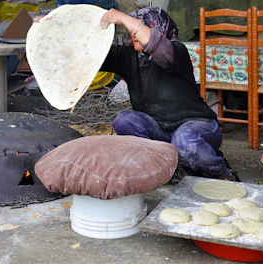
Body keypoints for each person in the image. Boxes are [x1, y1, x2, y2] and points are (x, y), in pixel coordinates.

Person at [100, 7, 240, 182]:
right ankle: (165, 168)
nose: (134, 32)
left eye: (143, 26)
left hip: (196, 124)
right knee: (124, 120)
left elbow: (161, 50)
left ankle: (222, 174)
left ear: (160, 30)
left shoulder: (176, 50)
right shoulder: (129, 57)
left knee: (185, 142)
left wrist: (124, 18)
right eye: (133, 27)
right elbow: (93, 56)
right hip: (159, 130)